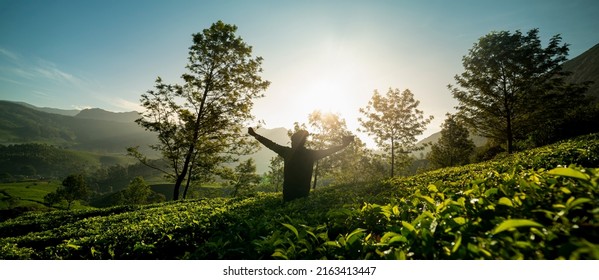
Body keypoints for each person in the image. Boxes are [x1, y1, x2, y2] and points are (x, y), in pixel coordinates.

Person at [248, 127, 353, 202]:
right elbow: (329, 150)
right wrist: (344, 145)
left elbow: (269, 144)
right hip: (303, 195)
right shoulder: (310, 154)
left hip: (288, 195)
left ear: (294, 142)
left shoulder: (287, 152)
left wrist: (255, 135)